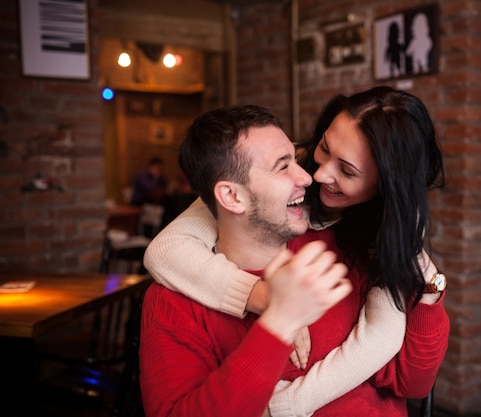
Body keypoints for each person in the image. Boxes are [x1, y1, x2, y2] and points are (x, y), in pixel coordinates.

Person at [143, 87, 449, 415]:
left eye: (347, 171)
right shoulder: (181, 291)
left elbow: (408, 375)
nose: (314, 175)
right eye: (323, 149)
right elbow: (166, 248)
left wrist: (428, 290)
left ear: (384, 186)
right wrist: (267, 303)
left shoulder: (367, 243)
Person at [140, 105, 353, 417]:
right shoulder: (172, 302)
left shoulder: (338, 247)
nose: (307, 177)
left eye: (296, 160)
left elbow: (411, 382)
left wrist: (429, 287)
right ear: (232, 197)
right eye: (282, 167)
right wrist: (280, 322)